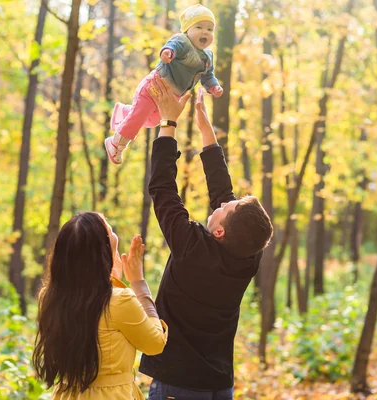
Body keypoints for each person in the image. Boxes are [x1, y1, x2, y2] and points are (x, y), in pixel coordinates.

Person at [138, 77, 274, 399]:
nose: (225, 201)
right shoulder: (247, 256)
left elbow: (163, 191)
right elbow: (221, 194)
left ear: (220, 231)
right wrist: (205, 131)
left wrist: (169, 121)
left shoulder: (192, 249)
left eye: (229, 207)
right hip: (219, 385)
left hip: (179, 386)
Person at [32, 212, 168, 399]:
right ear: (103, 248)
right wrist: (138, 283)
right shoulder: (120, 300)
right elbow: (155, 344)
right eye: (110, 230)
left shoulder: (49, 297)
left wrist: (111, 279)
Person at [104, 3, 224, 165]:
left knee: (152, 120)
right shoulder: (182, 41)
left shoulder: (208, 57)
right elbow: (172, 46)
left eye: (210, 29)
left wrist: (213, 87)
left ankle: (124, 112)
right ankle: (116, 143)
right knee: (139, 116)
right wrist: (167, 53)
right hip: (155, 86)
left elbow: (208, 76)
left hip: (170, 96)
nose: (205, 32)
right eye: (199, 27)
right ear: (187, 30)